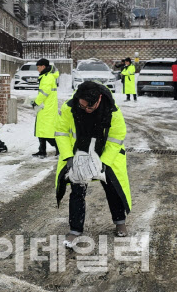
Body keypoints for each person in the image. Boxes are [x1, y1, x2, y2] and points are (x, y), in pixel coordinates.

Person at [54, 81, 131, 247]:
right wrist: (68, 157)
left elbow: (116, 138)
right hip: (79, 153)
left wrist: (103, 163)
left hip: (105, 154)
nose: (86, 110)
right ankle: (75, 230)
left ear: (99, 99)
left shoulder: (112, 111)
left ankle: (120, 221)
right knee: (77, 189)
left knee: (113, 187)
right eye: (82, 106)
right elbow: (60, 133)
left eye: (90, 107)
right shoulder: (70, 107)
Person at [32, 58, 59, 158]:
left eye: (38, 67)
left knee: (47, 131)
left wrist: (36, 102)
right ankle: (42, 150)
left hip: (47, 108)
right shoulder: (46, 76)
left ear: (43, 66)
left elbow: (45, 92)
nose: (37, 69)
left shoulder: (47, 77)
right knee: (41, 130)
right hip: (45, 107)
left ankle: (59, 148)